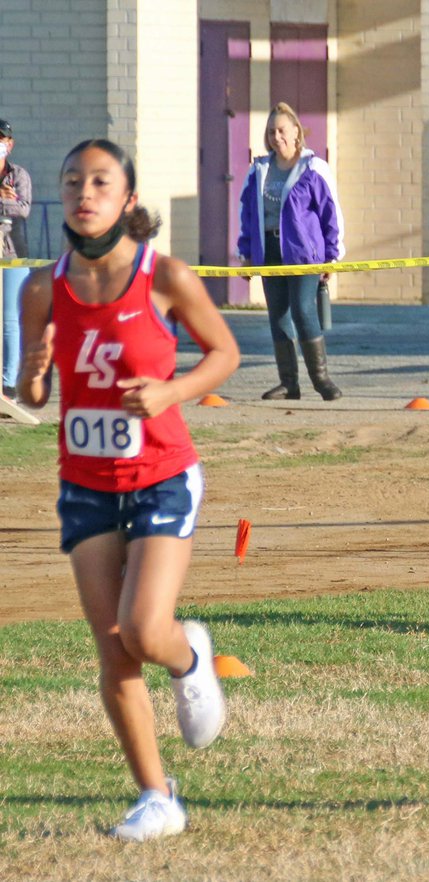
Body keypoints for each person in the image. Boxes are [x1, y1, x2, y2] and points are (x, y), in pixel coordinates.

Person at [17, 139, 240, 841]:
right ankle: (156, 798)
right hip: (85, 482)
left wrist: (171, 389)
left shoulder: (164, 275)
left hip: (162, 476)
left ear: (127, 200)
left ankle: (189, 655)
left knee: (145, 630)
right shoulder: (39, 287)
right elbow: (32, 391)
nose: (84, 192)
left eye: (101, 181)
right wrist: (34, 371)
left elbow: (225, 354)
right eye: (73, 179)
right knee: (112, 647)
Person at [237, 102, 344, 401]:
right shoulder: (258, 170)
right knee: (278, 315)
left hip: (304, 252)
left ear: (296, 132)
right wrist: (245, 251)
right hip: (270, 249)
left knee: (302, 308)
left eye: (282, 130)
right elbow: (246, 212)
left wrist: (332, 256)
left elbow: (330, 213)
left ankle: (322, 380)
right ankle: (289, 383)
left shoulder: (313, 168)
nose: (276, 137)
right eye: (271, 132)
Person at [0, 118, 32, 398]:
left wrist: (3, 200)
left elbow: (22, 209)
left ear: (10, 144)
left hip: (13, 254)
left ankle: (8, 384)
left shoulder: (18, 175)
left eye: (3, 140)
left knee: (10, 319)